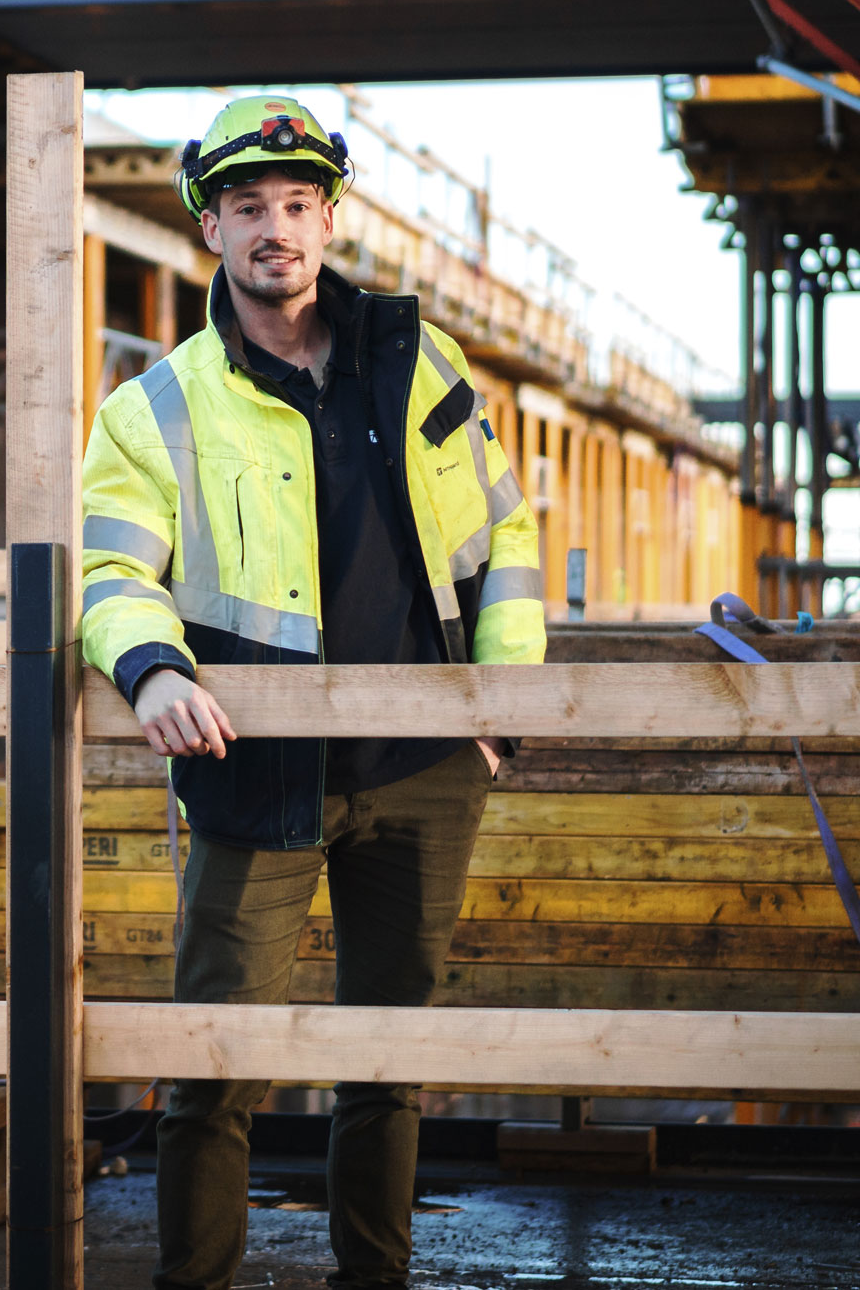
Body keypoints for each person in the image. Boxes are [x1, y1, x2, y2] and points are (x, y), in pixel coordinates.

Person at [77, 96, 545, 1289]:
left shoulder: (420, 363)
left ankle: (372, 1278)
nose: (273, 227)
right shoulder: (157, 407)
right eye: (246, 208)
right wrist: (149, 665)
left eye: (294, 204)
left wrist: (502, 703)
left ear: (329, 220)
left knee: (387, 1056)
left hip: (424, 769)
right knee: (213, 1061)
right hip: (252, 766)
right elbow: (110, 566)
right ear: (210, 230)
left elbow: (504, 533)